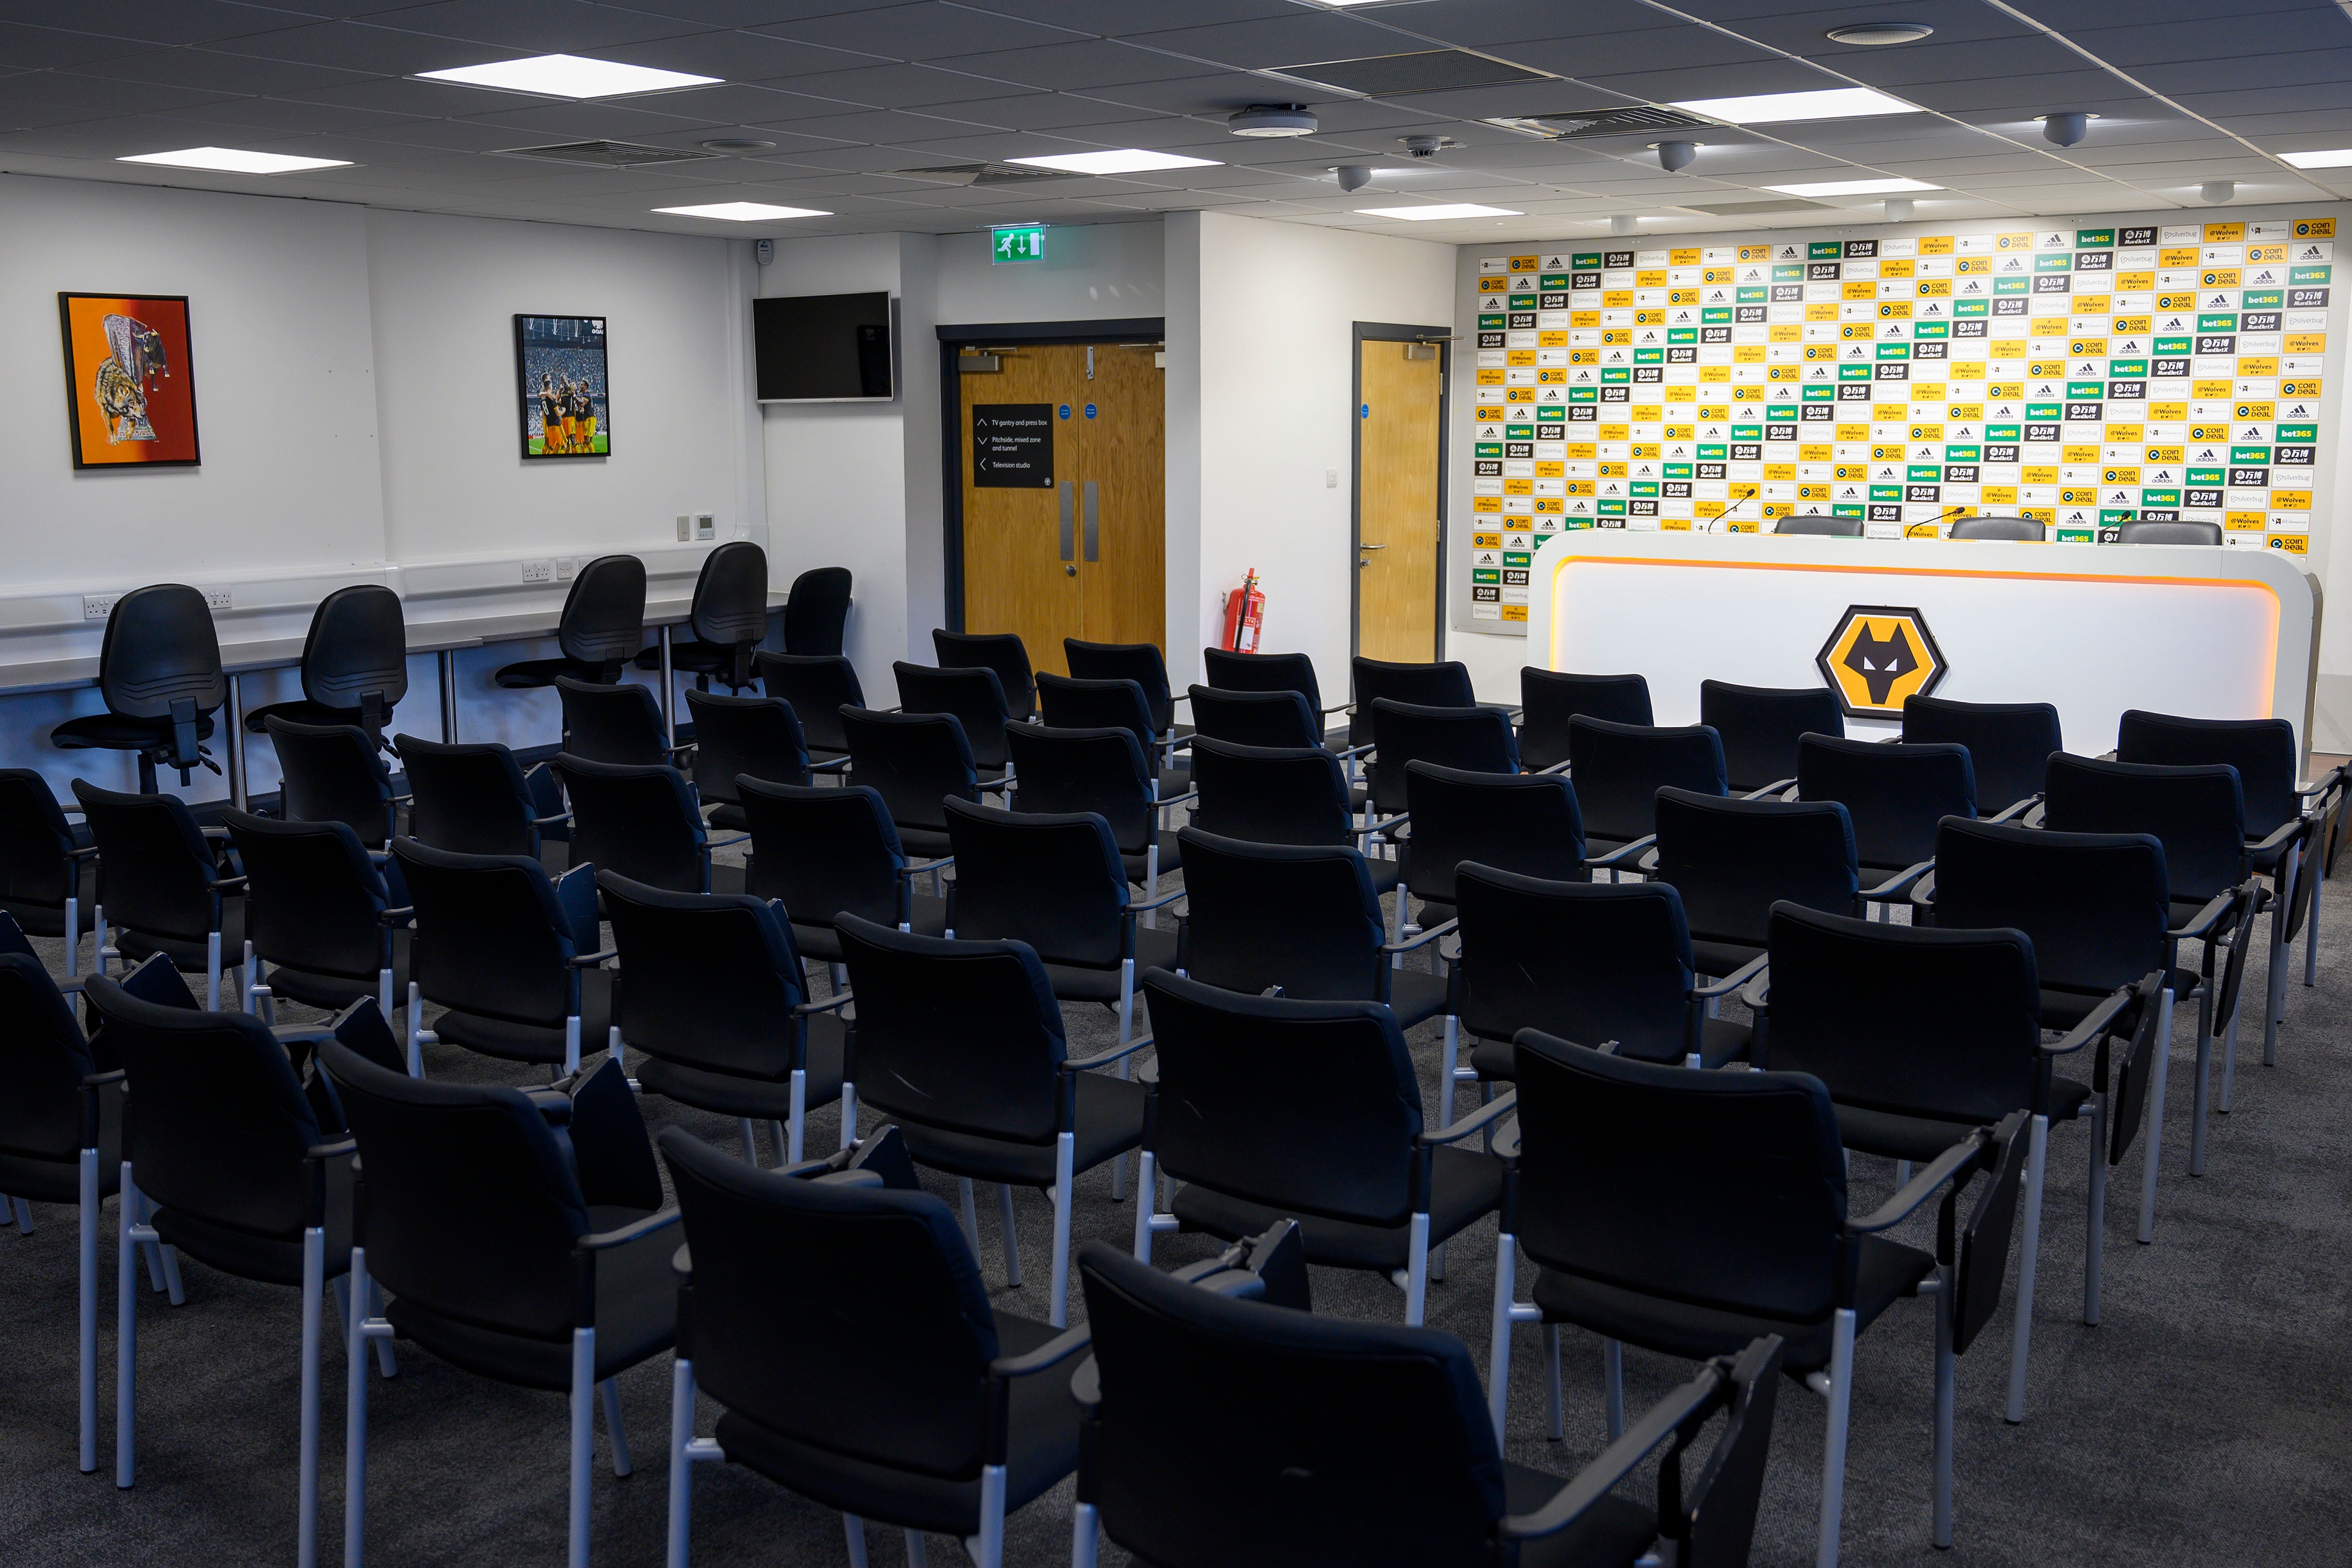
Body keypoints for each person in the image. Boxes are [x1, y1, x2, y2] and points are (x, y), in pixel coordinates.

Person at [538, 372, 565, 454]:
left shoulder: (545, 396)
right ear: (545, 380)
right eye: (549, 378)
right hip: (551, 421)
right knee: (551, 443)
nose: (550, 379)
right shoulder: (544, 390)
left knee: (551, 444)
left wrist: (559, 393)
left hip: (548, 420)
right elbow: (540, 394)